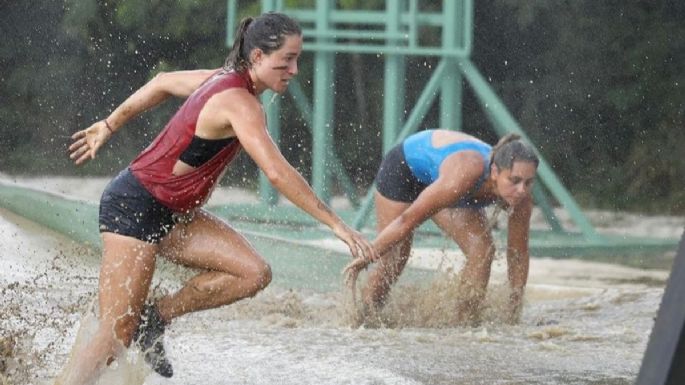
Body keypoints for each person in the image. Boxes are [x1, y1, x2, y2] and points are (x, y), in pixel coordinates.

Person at [56, 12, 376, 385]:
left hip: (173, 214)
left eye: (297, 59)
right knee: (115, 333)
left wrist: (110, 125)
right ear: (257, 57)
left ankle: (156, 318)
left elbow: (161, 82)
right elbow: (276, 171)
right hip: (135, 206)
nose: (294, 69)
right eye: (286, 59)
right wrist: (336, 223)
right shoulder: (240, 102)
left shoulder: (223, 79)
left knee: (253, 272)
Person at [343, 129, 539, 326]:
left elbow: (518, 253)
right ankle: (360, 319)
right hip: (405, 170)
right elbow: (406, 221)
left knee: (481, 250)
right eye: (514, 181)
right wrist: (367, 257)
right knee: (394, 258)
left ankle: (464, 325)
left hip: (441, 181)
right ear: (495, 172)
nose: (521, 190)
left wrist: (514, 309)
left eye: (528, 183)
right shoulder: (465, 173)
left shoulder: (522, 199)